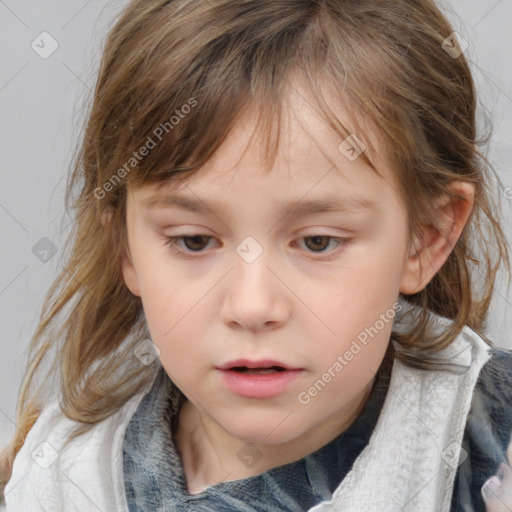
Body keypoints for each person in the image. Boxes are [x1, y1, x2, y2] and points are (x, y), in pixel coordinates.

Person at [1, 0, 511, 510]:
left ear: (425, 237)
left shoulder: (489, 461)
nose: (252, 306)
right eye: (194, 240)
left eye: (317, 242)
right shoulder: (57, 481)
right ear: (125, 246)